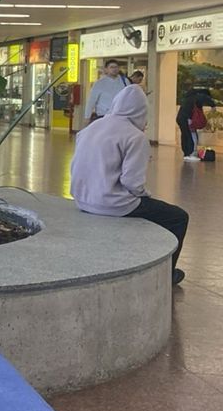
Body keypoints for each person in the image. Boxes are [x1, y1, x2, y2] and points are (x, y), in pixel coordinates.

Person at [70, 85, 188, 285]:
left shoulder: (91, 128)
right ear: (142, 111)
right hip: (111, 203)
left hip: (82, 199)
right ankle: (167, 274)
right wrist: (145, 195)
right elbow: (132, 183)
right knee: (178, 217)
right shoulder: (135, 137)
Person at [176, 88, 215, 162]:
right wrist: (213, 105)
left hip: (181, 118)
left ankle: (187, 154)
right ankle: (191, 153)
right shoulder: (198, 97)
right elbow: (205, 98)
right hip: (187, 119)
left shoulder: (188, 98)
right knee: (191, 135)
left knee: (185, 135)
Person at [84, 58, 127, 123]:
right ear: (106, 69)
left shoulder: (125, 81)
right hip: (103, 115)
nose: (114, 69)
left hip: (120, 115)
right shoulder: (99, 83)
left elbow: (129, 97)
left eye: (116, 67)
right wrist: (87, 116)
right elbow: (91, 101)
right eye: (111, 67)